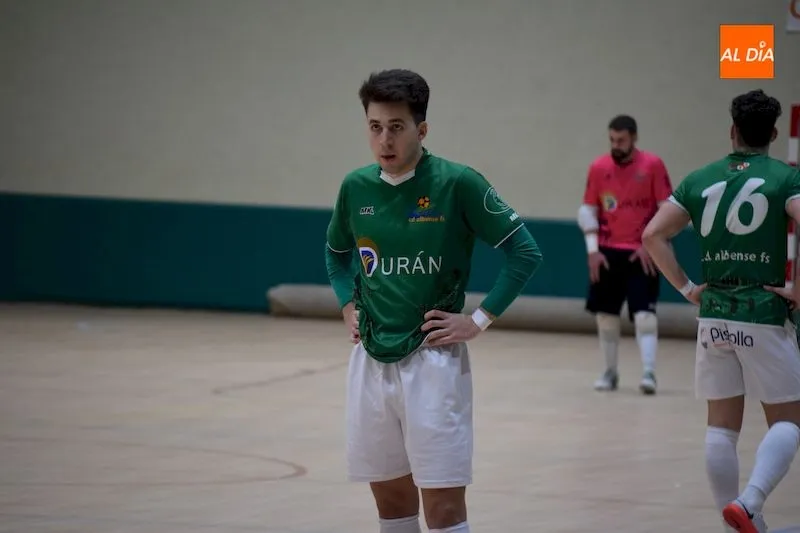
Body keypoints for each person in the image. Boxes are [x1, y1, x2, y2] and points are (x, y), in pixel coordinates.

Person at [324, 69, 543, 533]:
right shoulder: (355, 187)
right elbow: (336, 253)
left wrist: (478, 320)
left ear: (421, 130)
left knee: (442, 508)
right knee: (391, 501)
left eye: (397, 127)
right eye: (375, 126)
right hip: (370, 360)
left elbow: (525, 251)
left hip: (433, 362)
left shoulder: (457, 183)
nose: (385, 139)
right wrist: (348, 304)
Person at [642, 89, 800, 533]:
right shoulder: (785, 178)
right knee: (789, 420)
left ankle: (735, 523)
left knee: (721, 428)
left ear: (732, 131)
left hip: (713, 315)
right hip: (763, 311)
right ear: (772, 133)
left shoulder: (699, 179)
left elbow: (653, 234)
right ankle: (749, 504)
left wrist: (689, 288)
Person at [576, 115, 673, 394]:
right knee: (605, 317)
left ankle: (649, 373)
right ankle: (610, 372)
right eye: (612, 140)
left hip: (642, 253)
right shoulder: (598, 167)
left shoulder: (652, 166)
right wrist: (593, 252)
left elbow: (666, 209)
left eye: (621, 140)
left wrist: (651, 243)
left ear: (634, 138)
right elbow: (589, 211)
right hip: (607, 253)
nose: (615, 145)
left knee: (645, 316)